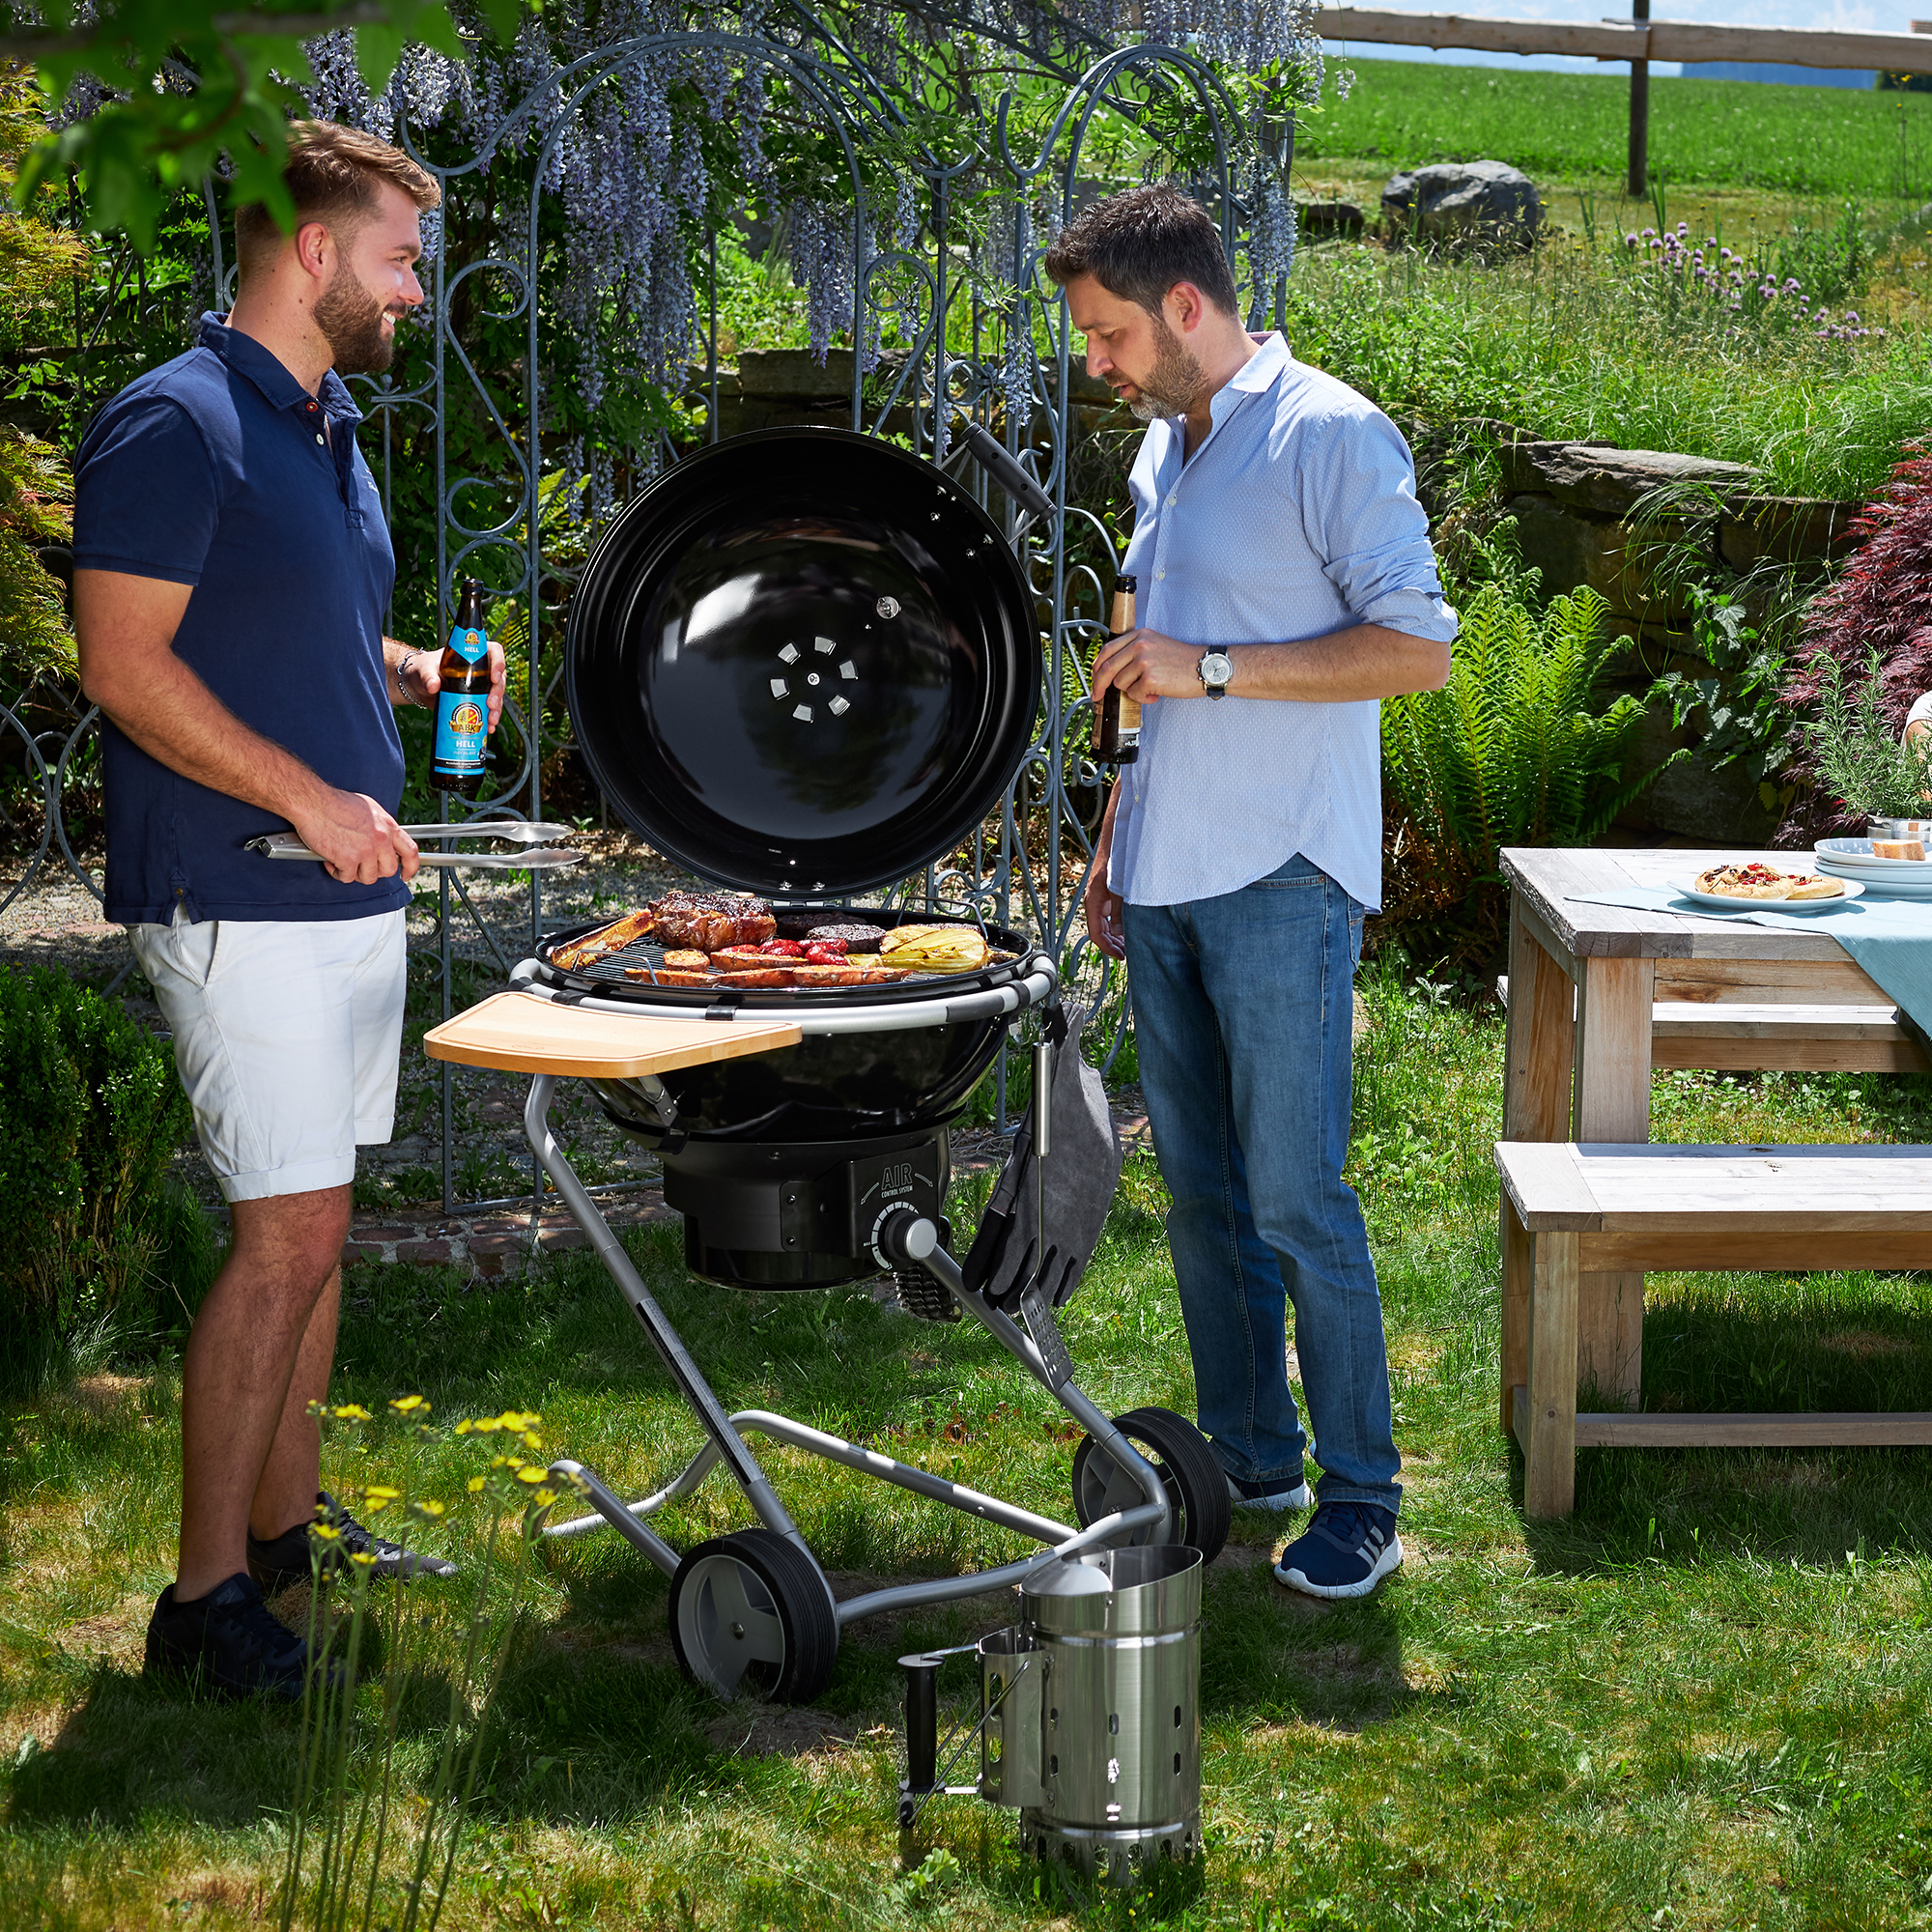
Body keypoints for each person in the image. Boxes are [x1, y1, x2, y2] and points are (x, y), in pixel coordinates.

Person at [72, 122, 504, 1697]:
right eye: (399, 260)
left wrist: (410, 671)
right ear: (313, 252)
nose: (414, 292)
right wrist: (312, 800)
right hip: (237, 884)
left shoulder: (323, 428)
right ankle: (203, 1603)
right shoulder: (177, 421)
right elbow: (122, 663)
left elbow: (275, 625)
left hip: (334, 893)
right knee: (289, 1232)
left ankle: (283, 1536)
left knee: (318, 1227)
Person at [1044, 185, 1457, 1600]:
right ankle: (1255, 1453)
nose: (1097, 363)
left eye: (1108, 334)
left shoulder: (1329, 433)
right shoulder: (1166, 447)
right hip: (1167, 866)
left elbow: (1416, 650)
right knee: (1204, 1201)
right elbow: (1146, 667)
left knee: (1296, 1199)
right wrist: (1118, 835)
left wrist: (1210, 668)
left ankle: (1363, 1498)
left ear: (1185, 306)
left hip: (1283, 868)